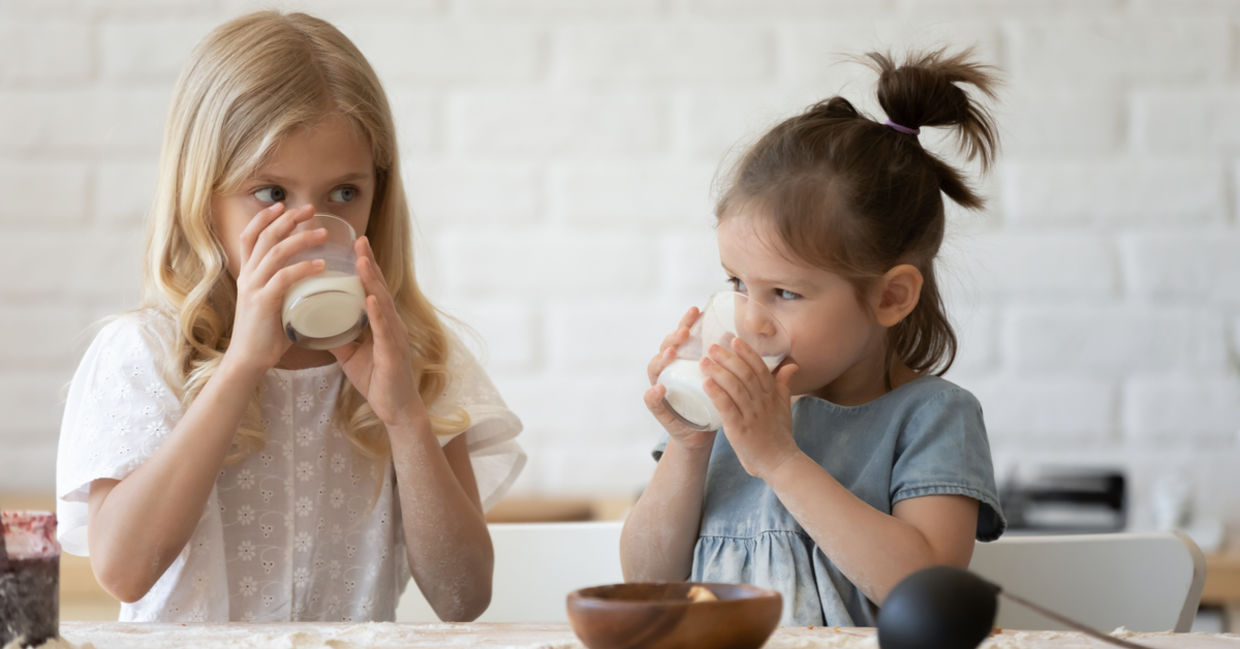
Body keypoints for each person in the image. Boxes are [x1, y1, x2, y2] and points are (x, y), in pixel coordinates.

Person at [55, 10, 524, 623]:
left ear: (377, 195)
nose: (308, 228)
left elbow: (464, 597)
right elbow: (124, 569)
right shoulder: (146, 353)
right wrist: (242, 366)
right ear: (203, 197)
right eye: (272, 194)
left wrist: (405, 417)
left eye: (344, 194)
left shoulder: (415, 356)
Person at [619, 48, 1007, 626]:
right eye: (738, 284)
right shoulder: (729, 415)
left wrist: (779, 458)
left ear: (890, 297)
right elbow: (647, 582)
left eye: (787, 293)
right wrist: (691, 441)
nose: (750, 319)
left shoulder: (932, 417)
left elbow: (925, 590)